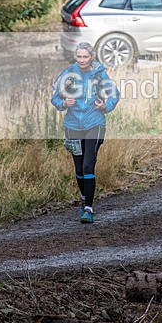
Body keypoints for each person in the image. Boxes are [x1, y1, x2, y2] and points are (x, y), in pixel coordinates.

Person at [51, 42, 121, 224]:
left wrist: (106, 106)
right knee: (79, 168)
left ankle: (88, 208)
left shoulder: (99, 74)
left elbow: (114, 94)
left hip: (95, 124)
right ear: (76, 57)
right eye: (79, 57)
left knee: (88, 165)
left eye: (85, 57)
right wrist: (64, 103)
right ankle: (83, 196)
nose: (82, 60)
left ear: (91, 57)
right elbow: (55, 97)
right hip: (73, 126)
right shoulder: (68, 74)